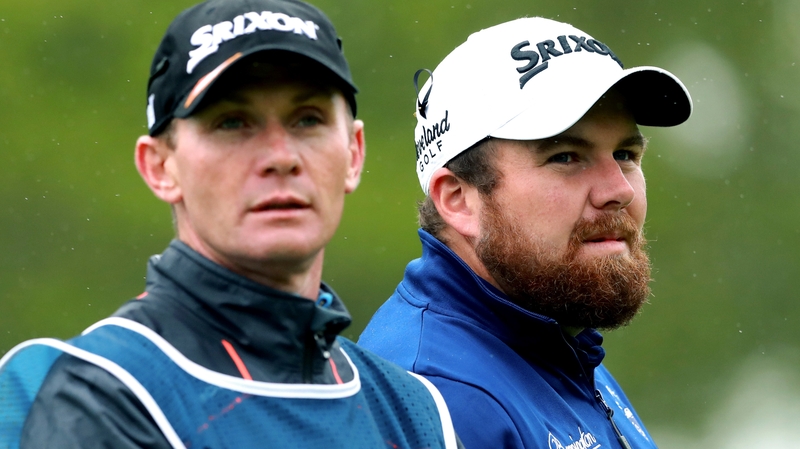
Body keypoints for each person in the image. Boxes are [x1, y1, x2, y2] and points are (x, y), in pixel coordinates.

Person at [0, 1, 460, 448]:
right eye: (232, 123)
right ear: (160, 166)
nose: (281, 156)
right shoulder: (86, 392)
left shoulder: (416, 412)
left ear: (354, 154)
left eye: (308, 119)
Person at [359, 17, 692, 449]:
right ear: (458, 199)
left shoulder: (557, 344)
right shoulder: (435, 398)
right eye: (566, 157)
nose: (619, 191)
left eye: (625, 154)